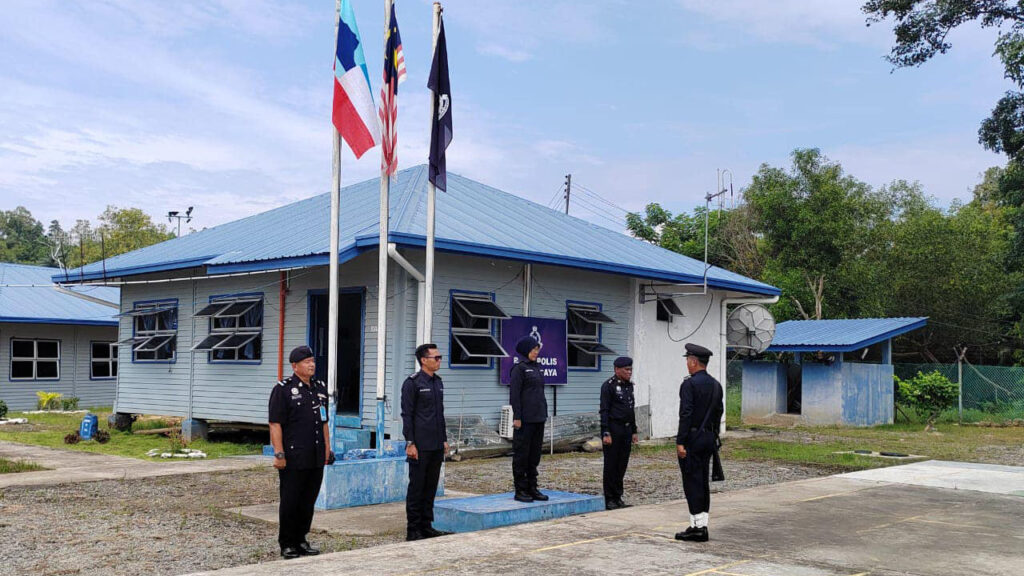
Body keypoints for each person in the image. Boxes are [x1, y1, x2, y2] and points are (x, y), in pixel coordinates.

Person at [268, 345, 334, 559]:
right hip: (294, 455)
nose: (312, 365)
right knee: (291, 500)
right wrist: (279, 454)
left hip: (315, 453)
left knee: (308, 500)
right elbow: (275, 424)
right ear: (295, 366)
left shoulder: (319, 387)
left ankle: (301, 539)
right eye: (307, 362)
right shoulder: (283, 389)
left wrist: (327, 448)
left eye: (313, 361)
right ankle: (287, 543)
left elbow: (324, 421)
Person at [401, 343, 451, 541]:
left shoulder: (438, 382)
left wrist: (444, 439)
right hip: (420, 445)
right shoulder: (412, 383)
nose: (439, 361)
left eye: (440, 357)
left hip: (436, 443)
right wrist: (410, 443)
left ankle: (426, 525)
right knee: (417, 487)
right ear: (423, 360)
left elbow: (440, 414)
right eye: (435, 357)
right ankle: (413, 529)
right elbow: (407, 414)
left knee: (430, 487)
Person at [674, 343, 723, 543]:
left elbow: (686, 414)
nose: (687, 363)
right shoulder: (715, 385)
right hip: (709, 438)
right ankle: (702, 524)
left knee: (692, 481)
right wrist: (714, 435)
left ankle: (696, 527)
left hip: (693, 439)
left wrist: (680, 441)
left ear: (694, 362)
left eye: (688, 360)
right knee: (703, 481)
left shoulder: (689, 385)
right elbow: (718, 413)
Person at [509, 335, 549, 503]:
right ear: (526, 350)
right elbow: (514, 395)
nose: (536, 353)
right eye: (533, 350)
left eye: (537, 350)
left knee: (534, 456)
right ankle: (521, 489)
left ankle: (533, 487)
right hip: (524, 419)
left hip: (539, 417)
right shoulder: (519, 369)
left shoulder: (538, 367)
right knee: (522, 455)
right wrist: (517, 416)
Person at [600, 356, 639, 510]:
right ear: (617, 370)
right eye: (626, 370)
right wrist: (605, 432)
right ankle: (609, 498)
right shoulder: (608, 386)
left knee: (622, 464)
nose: (629, 372)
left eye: (630, 369)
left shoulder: (629, 386)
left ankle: (618, 496)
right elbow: (604, 410)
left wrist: (634, 430)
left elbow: (631, 409)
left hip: (626, 429)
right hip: (613, 428)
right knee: (611, 465)